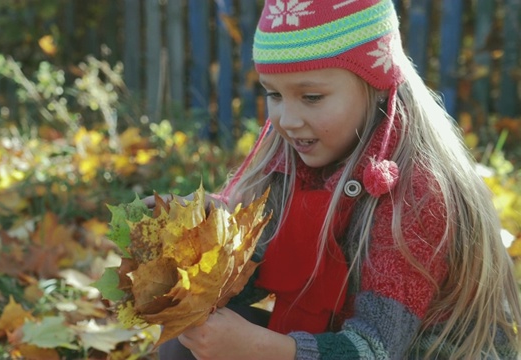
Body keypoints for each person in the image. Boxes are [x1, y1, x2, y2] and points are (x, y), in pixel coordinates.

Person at [155, 0, 521, 359]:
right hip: (336, 340)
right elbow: (241, 284)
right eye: (274, 94)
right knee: (188, 341)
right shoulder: (293, 160)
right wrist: (201, 240)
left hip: (424, 352)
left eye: (311, 97)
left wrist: (258, 348)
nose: (288, 119)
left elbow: (377, 350)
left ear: (375, 83)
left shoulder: (418, 193)